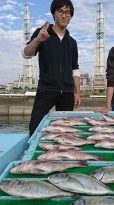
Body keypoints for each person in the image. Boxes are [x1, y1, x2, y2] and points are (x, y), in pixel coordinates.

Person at [23, 0, 81, 136]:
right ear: (54, 13)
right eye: (60, 11)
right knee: (35, 128)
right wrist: (37, 40)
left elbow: (75, 69)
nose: (64, 15)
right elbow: (26, 54)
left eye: (67, 12)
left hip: (67, 92)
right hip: (46, 89)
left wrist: (77, 92)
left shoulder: (72, 42)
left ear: (71, 16)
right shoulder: (42, 33)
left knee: (65, 132)